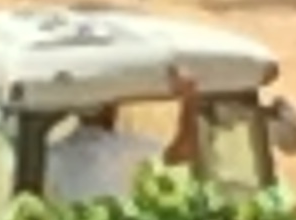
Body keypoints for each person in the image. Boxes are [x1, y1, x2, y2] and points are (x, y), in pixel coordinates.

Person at [42, 72, 204, 205]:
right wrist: (189, 105)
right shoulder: (130, 148)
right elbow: (182, 157)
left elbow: (181, 158)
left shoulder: (53, 155)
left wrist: (189, 104)